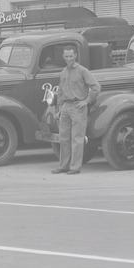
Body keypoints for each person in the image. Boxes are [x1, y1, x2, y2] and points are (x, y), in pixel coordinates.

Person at [51, 47, 100, 175]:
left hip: (78, 107)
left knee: (77, 138)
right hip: (65, 107)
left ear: (75, 56)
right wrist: (59, 109)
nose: (69, 59)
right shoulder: (63, 72)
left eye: (71, 56)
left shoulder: (82, 71)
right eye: (66, 56)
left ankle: (75, 167)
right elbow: (60, 92)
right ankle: (63, 166)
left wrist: (86, 101)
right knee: (64, 138)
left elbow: (95, 87)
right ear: (63, 57)